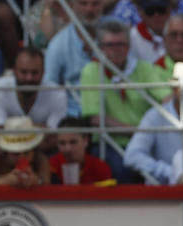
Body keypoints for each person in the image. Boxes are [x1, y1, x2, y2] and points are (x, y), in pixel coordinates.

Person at [80, 18, 164, 179]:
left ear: (128, 47)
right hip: (111, 142)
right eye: (109, 45)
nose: (115, 50)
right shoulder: (91, 71)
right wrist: (136, 131)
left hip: (145, 141)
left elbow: (166, 98)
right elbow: (96, 119)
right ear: (100, 48)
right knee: (124, 171)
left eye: (120, 45)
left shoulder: (143, 68)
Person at [0, 46, 67, 162]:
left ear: (44, 72)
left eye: (35, 72)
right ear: (14, 70)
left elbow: (54, 138)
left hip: (36, 149)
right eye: (24, 72)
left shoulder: (57, 93)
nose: (29, 78)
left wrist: (22, 145)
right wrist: (39, 128)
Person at [43, 0, 104, 116]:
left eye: (95, 4)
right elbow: (50, 88)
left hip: (112, 112)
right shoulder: (58, 44)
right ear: (72, 6)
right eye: (83, 3)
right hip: (75, 116)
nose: (89, 10)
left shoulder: (115, 35)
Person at [0, 115, 53, 187]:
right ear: (6, 152)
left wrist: (37, 181)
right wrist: (3, 181)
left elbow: (47, 184)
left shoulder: (40, 159)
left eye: (26, 152)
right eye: (15, 153)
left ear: (33, 150)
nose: (21, 157)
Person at [49, 115, 115, 184]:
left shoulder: (100, 169)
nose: (67, 149)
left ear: (85, 141)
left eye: (73, 142)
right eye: (62, 143)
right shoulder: (51, 167)